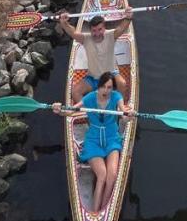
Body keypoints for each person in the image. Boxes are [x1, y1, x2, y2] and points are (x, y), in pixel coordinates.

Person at [52, 72, 133, 212]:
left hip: (112, 138)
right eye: (103, 87)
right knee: (102, 175)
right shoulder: (90, 98)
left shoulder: (116, 97)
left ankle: (104, 209)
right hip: (93, 140)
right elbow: (71, 111)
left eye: (109, 87)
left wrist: (128, 117)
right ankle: (95, 212)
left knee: (112, 176)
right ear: (98, 86)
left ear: (113, 88)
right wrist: (60, 111)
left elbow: (123, 114)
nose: (106, 91)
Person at [58, 10, 132, 103]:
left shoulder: (111, 35)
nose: (97, 34)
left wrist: (128, 17)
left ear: (104, 28)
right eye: (94, 30)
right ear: (90, 30)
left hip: (111, 75)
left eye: (100, 29)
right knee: (75, 92)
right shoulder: (85, 38)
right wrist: (64, 23)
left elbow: (122, 28)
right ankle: (89, 110)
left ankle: (119, 106)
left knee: (122, 84)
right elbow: (73, 33)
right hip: (93, 78)